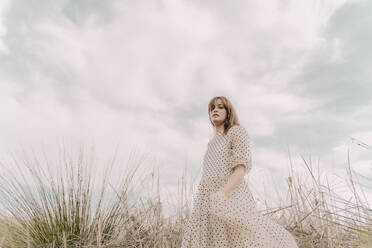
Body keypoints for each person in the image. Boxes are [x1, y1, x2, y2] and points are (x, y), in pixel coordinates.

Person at [180, 96, 298, 247]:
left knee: (244, 238)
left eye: (220, 107)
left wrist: (223, 193)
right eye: (212, 108)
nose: (215, 110)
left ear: (228, 112)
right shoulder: (211, 143)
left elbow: (240, 169)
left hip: (230, 194)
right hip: (207, 198)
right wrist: (211, 198)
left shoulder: (235, 132)